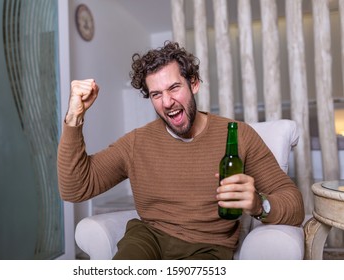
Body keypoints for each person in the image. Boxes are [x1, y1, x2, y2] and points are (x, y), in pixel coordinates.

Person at [57, 41, 305, 260]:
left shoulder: (238, 136)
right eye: (156, 94)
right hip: (148, 238)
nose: (167, 102)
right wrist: (73, 117)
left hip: (208, 248)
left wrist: (259, 204)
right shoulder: (136, 142)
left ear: (194, 84)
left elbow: (293, 202)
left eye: (174, 87)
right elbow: (75, 188)